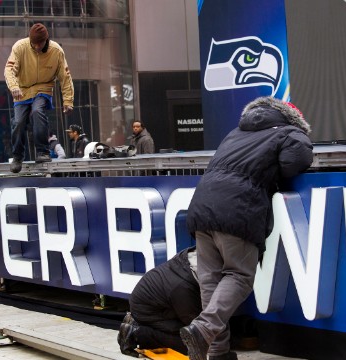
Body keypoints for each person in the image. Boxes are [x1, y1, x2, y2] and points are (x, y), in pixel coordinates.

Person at [181, 96, 314, 360]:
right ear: (293, 118)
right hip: (236, 209)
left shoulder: (235, 132)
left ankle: (215, 352)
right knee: (240, 275)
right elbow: (294, 163)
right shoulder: (290, 133)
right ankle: (204, 328)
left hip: (201, 205)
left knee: (210, 282)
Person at [4, 22, 75, 173]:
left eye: (39, 43)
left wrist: (68, 101)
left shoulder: (56, 51)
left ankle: (42, 151)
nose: (36, 47)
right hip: (22, 89)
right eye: (33, 44)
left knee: (37, 112)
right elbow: (9, 70)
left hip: (43, 87)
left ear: (46, 40)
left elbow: (65, 77)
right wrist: (14, 87)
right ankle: (17, 156)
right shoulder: (20, 47)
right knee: (18, 122)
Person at [117, 246, 201, 357]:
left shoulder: (191, 260)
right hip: (150, 312)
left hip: (163, 306)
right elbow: (197, 325)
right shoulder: (182, 287)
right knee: (194, 343)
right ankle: (136, 333)